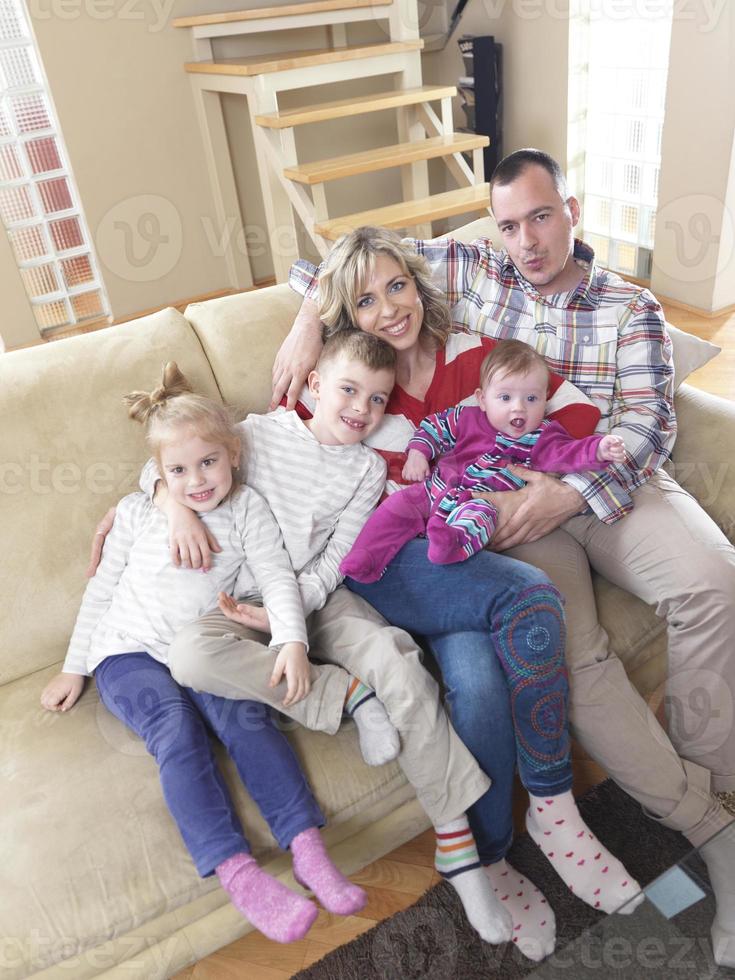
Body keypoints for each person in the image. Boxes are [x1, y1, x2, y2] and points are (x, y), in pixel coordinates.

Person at [272, 148, 735, 968]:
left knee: (714, 581)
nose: (526, 240)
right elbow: (338, 269)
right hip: (507, 515)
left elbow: (645, 427)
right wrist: (310, 314)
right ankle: (690, 824)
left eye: (541, 216)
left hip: (603, 480)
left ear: (572, 209)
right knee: (563, 646)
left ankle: (710, 786)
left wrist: (567, 489)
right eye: (510, 223)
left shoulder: (629, 306)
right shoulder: (465, 275)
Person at [41, 362, 376, 945]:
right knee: (175, 731)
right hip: (127, 653)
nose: (196, 480)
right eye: (178, 470)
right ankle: (239, 873)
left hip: (197, 646)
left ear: (234, 455)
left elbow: (276, 580)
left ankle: (307, 848)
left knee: (247, 716)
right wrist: (75, 665)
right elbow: (103, 586)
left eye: (208, 463)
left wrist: (292, 642)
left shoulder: (249, 511)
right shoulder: (139, 508)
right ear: (158, 472)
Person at [342, 339, 626, 578]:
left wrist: (599, 449)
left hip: (484, 501)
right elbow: (434, 426)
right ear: (482, 399)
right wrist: (418, 452)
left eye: (531, 399)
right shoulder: (468, 418)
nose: (519, 409)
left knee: (479, 519)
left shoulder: (543, 437)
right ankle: (366, 557)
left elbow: (568, 454)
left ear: (545, 399)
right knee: (397, 507)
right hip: (437, 488)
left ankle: (451, 544)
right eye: (505, 398)